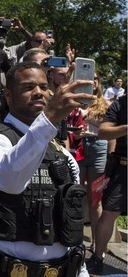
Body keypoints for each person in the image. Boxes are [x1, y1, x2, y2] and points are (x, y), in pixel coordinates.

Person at [0, 61, 95, 277]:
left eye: (44, 87)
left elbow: (71, 219)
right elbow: (9, 180)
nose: (39, 93)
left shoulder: (61, 151)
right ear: (8, 95)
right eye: (28, 87)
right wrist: (48, 119)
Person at [87, 93, 127, 274]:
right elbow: (103, 132)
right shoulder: (120, 105)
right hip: (123, 167)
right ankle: (97, 257)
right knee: (109, 213)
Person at [76, 72, 109, 252]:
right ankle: (74, 239)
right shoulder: (75, 99)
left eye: (96, 77)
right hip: (78, 146)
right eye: (89, 77)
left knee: (95, 198)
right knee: (76, 193)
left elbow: (108, 128)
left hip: (98, 147)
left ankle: (98, 244)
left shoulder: (106, 104)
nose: (92, 81)